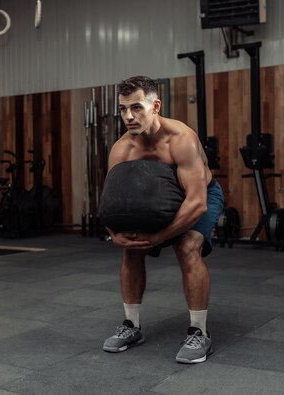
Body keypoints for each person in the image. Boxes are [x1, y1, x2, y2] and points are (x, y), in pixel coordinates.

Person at [102, 75, 224, 364]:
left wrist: (159, 238)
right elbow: (113, 201)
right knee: (131, 249)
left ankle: (199, 332)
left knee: (187, 246)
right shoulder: (122, 149)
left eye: (136, 108)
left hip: (197, 198)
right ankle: (131, 325)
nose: (128, 116)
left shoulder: (181, 140)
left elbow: (196, 203)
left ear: (155, 105)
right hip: (150, 201)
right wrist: (113, 233)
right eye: (122, 109)